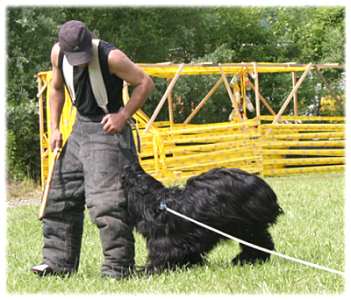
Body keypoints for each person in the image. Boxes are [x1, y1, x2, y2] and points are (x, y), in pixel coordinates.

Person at [31, 20, 154, 279]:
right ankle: (57, 263)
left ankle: (118, 268)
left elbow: (144, 82)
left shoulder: (112, 57)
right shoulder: (57, 54)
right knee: (59, 197)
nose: (79, 61)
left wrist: (123, 115)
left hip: (108, 130)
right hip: (78, 130)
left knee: (106, 203)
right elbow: (55, 89)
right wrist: (54, 128)